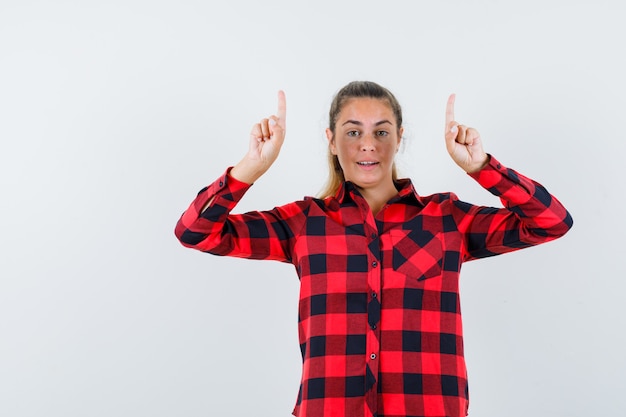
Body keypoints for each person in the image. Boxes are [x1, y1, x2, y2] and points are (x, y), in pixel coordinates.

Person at [174, 81, 573, 417]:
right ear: (331, 141)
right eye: (353, 131)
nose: (368, 145)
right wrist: (251, 168)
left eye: (382, 131)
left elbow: (551, 222)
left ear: (399, 138)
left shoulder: (446, 218)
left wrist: (481, 166)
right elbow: (195, 231)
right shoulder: (303, 224)